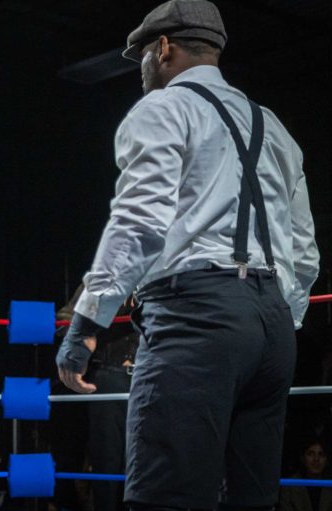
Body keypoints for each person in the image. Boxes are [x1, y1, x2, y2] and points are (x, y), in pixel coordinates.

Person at [55, 0, 320, 509]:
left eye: (141, 58)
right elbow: (303, 246)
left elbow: (139, 221)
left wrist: (86, 324)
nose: (141, 72)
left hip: (196, 318)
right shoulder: (272, 126)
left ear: (163, 48)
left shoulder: (163, 109)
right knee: (252, 500)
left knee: (166, 496)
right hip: (272, 328)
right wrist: (280, 316)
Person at [57, 284, 137, 511]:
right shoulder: (106, 275)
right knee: (107, 460)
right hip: (113, 375)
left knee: (152, 460)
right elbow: (64, 321)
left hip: (157, 375)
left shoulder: (169, 272)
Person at [279, 438, 332, 511]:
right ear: (303, 458)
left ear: (327, 460)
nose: (316, 459)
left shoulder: (330, 485)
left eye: (321, 454)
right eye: (311, 454)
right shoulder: (289, 487)